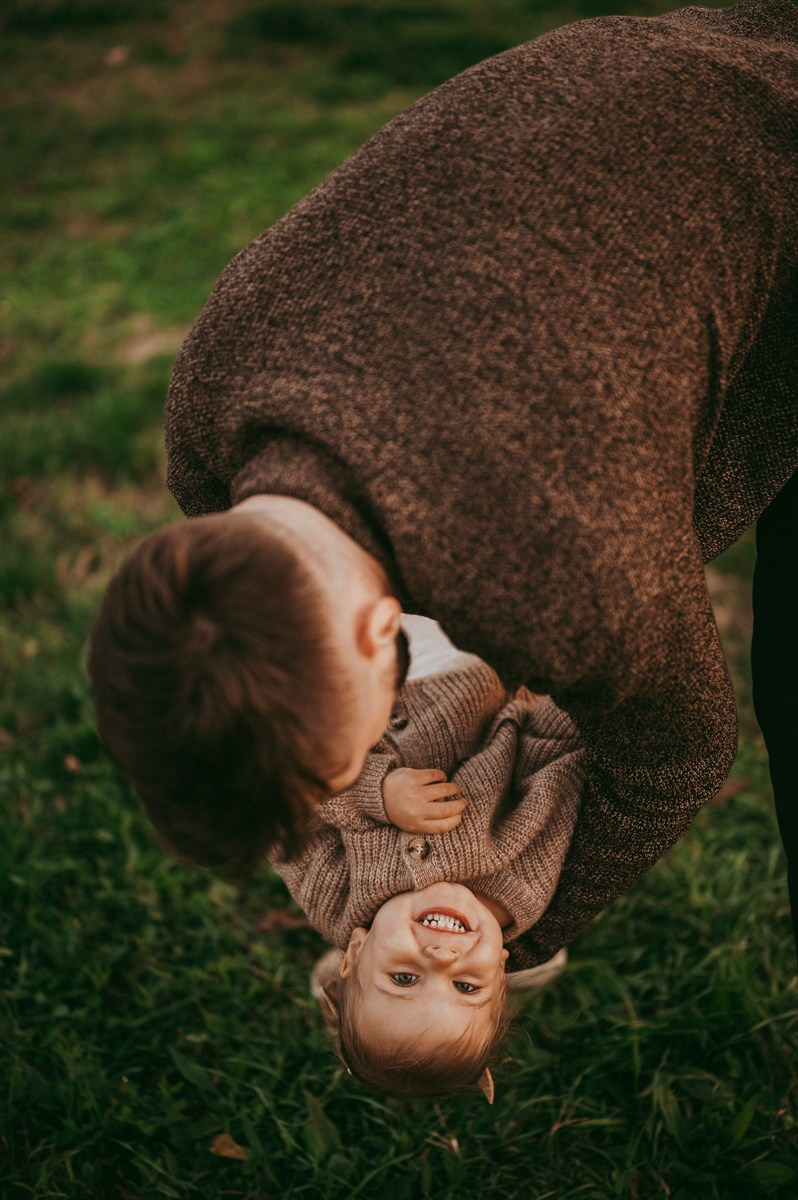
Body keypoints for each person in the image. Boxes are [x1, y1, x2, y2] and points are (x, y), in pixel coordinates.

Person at [88, 0, 798, 969]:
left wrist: (513, 920)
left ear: (385, 636)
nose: (348, 791)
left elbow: (675, 753)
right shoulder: (210, 405)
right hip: (640, 89)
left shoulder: (563, 566)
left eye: (352, 757)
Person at [270, 615, 583, 1099]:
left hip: (347, 682)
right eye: (466, 986)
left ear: (353, 952)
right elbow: (555, 756)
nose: (442, 957)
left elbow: (278, 805)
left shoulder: (334, 899)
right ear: (502, 968)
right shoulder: (525, 884)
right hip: (471, 667)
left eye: (403, 976)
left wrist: (373, 792)